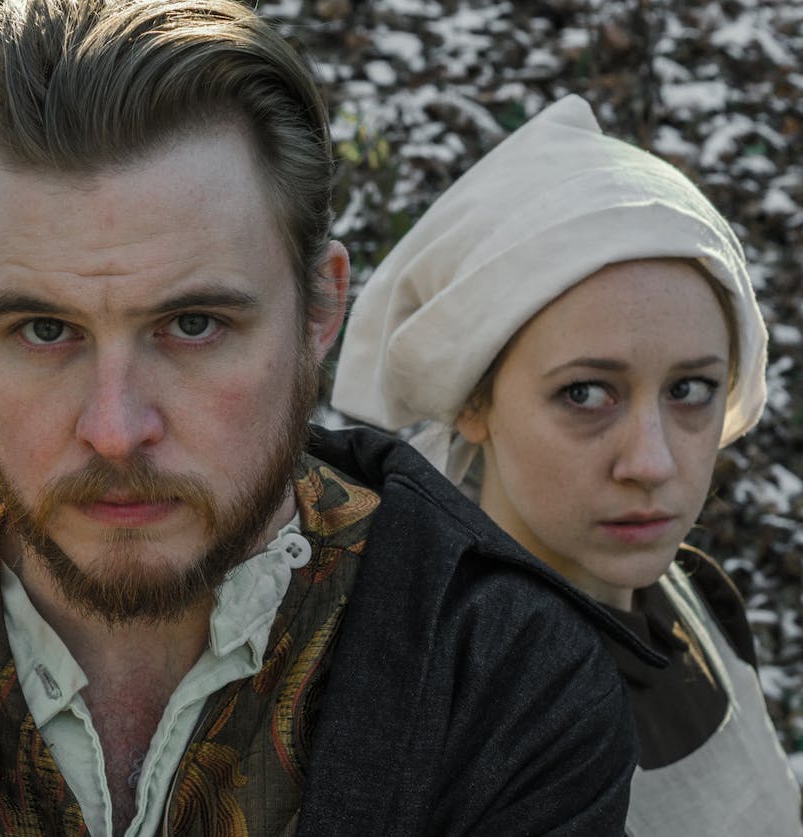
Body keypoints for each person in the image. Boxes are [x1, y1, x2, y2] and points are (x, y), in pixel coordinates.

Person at [0, 3, 648, 835]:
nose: (115, 431)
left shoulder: (499, 682)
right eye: (42, 331)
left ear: (320, 310)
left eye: (193, 324)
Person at [331, 94, 801, 835]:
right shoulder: (421, 701)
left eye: (691, 390)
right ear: (474, 402)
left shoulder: (692, 603)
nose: (650, 462)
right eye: (586, 393)